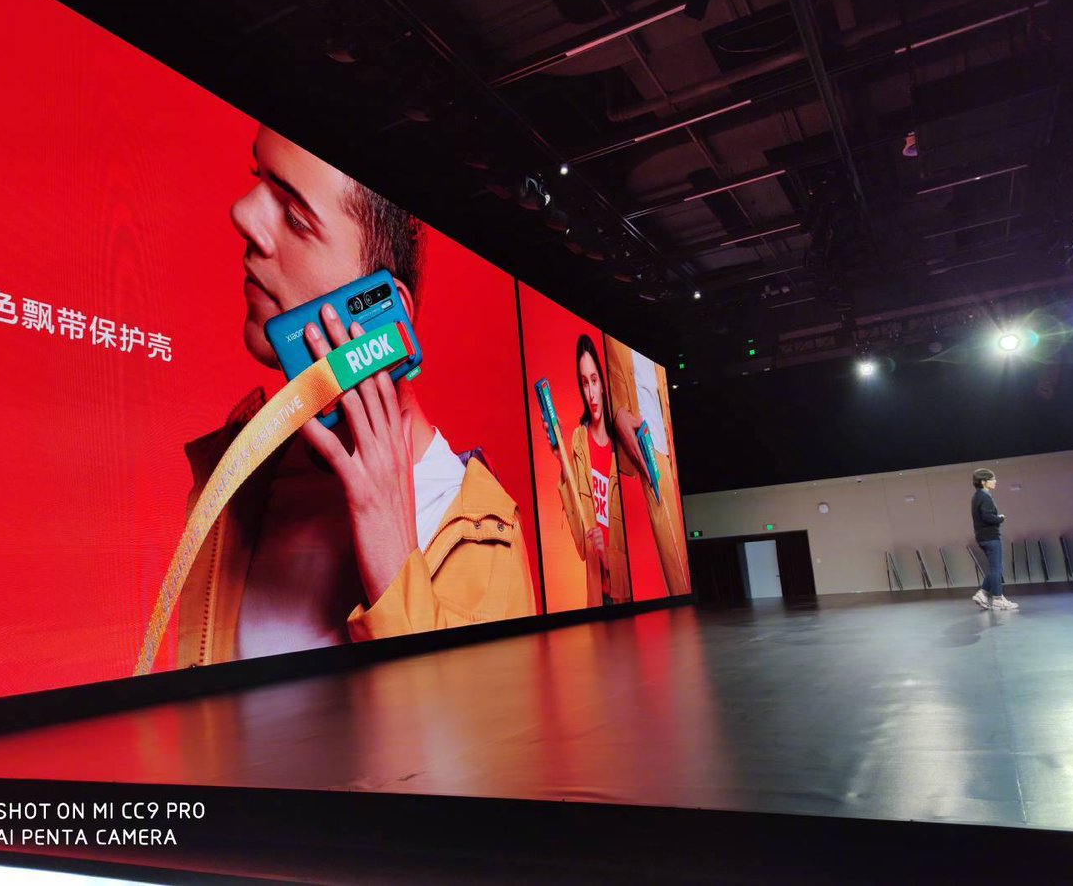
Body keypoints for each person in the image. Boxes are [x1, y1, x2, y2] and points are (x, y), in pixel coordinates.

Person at [173, 126, 535, 666]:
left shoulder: (482, 540)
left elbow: (475, 721)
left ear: (384, 313)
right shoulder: (238, 480)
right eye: (258, 178)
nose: (243, 214)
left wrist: (391, 561)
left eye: (295, 216)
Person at [604, 338, 690, 596]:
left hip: (663, 444)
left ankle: (682, 605)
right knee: (668, 548)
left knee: (676, 549)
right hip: (639, 439)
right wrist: (616, 413)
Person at [550, 334, 630, 607]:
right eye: (585, 383)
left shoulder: (621, 449)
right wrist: (561, 459)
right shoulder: (579, 441)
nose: (591, 393)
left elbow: (636, 542)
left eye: (594, 380)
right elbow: (581, 542)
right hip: (597, 593)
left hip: (625, 593)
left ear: (603, 384)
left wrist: (608, 555)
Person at [971, 468, 1018, 610]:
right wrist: (1000, 518)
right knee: (997, 568)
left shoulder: (977, 496)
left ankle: (983, 593)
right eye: (992, 479)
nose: (995, 481)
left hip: (983, 537)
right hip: (991, 537)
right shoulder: (985, 496)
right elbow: (987, 516)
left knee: (994, 567)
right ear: (983, 482)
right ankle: (998, 598)